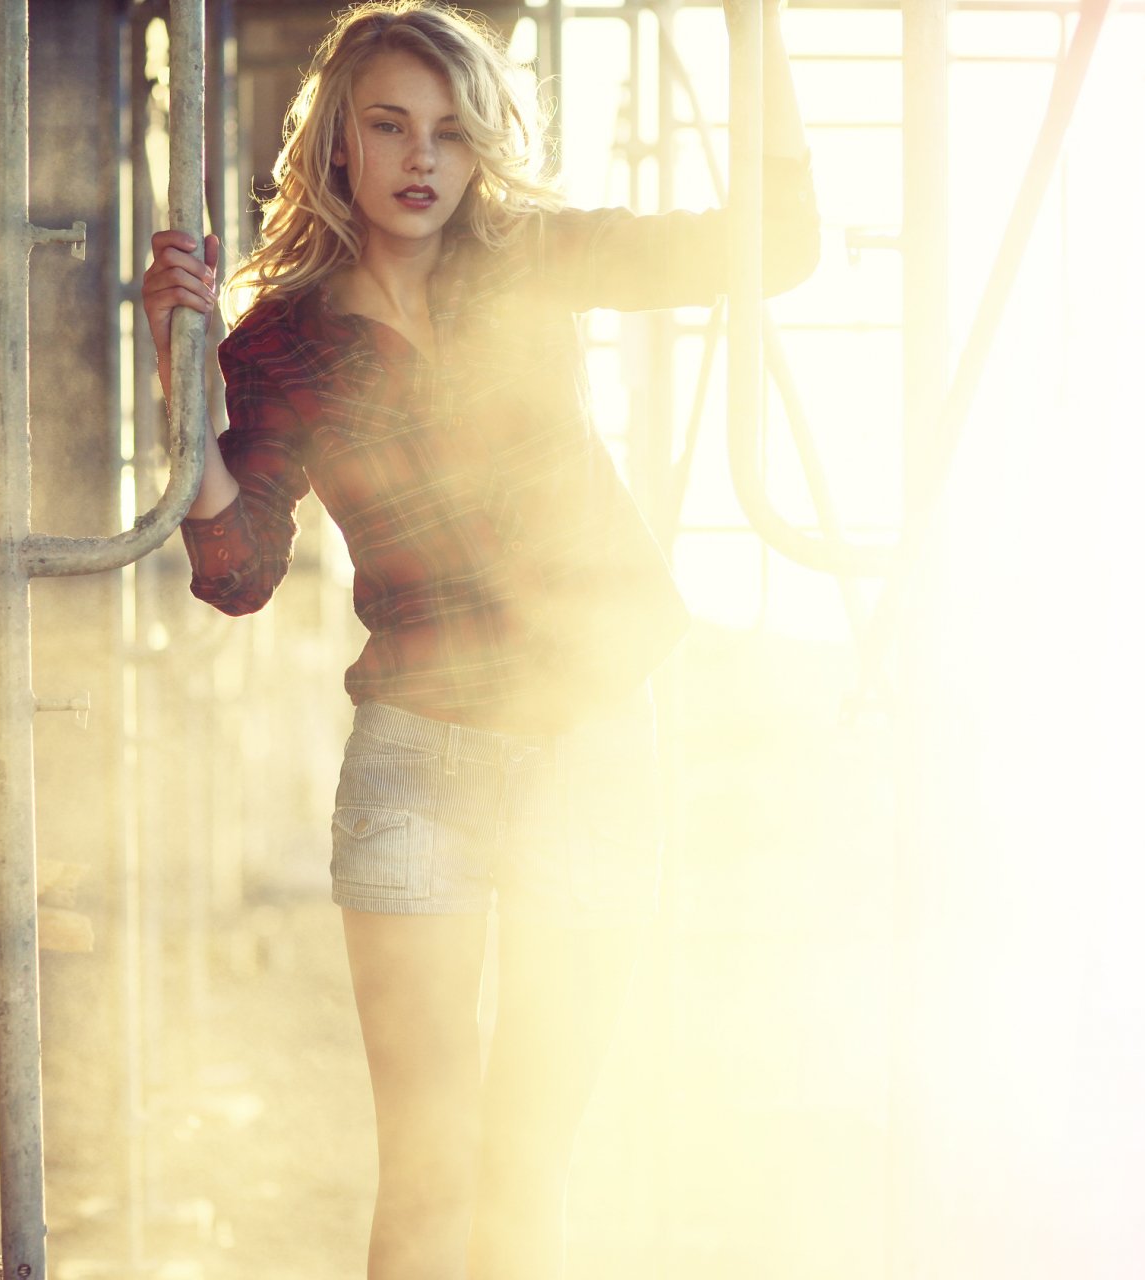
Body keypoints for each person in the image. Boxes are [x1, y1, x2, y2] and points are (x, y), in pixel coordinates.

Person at [140, 2, 815, 1275]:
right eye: (390, 125)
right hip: (418, 760)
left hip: (595, 737)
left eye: (450, 132)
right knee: (430, 1168)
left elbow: (774, 250)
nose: (422, 159)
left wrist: (754, 29)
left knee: (528, 1169)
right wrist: (181, 380)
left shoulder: (525, 256)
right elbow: (234, 572)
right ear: (339, 141)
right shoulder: (279, 341)